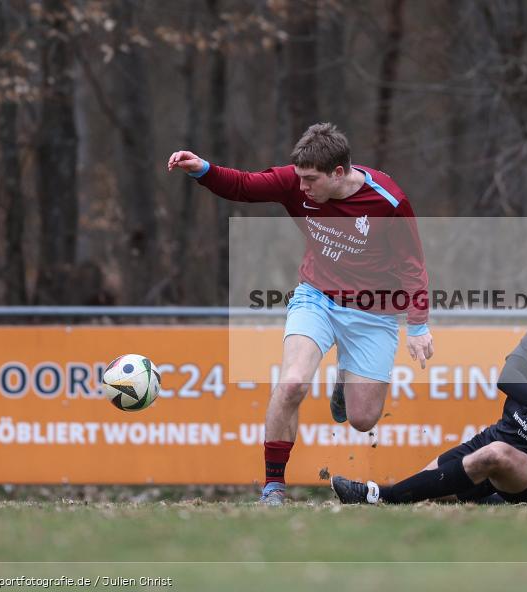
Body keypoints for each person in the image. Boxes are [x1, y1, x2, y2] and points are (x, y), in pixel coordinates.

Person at [168, 123, 434, 505]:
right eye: (300, 178)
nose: (303, 187)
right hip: (317, 297)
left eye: (311, 180)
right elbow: (244, 185)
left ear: (338, 173)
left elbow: (413, 266)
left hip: (373, 312)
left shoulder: (389, 203)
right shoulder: (296, 181)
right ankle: (273, 486)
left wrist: (419, 325)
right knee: (292, 383)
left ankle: (344, 380)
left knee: (362, 419)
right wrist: (202, 170)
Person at [331, 287, 527, 506]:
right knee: (428, 487)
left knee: (496, 455)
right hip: (496, 436)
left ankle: (377, 495)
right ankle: (489, 499)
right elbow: (508, 378)